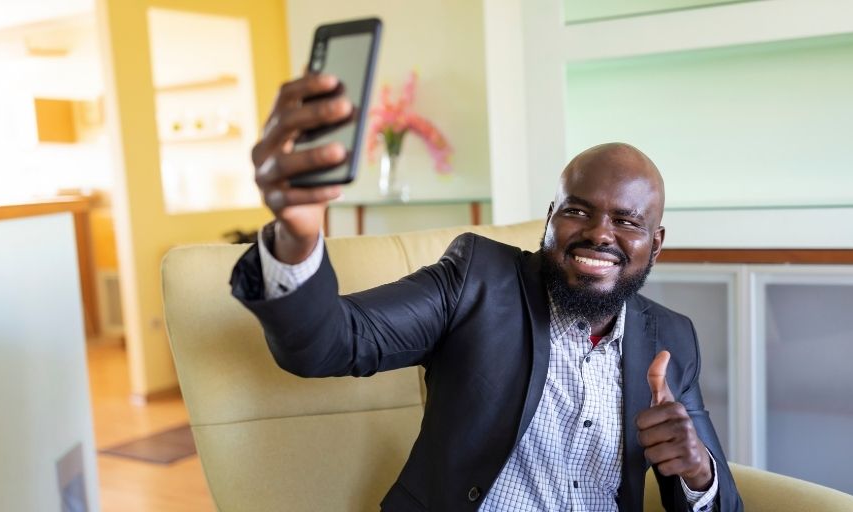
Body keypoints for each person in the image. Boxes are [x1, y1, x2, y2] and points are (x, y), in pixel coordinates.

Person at [231, 72, 743, 512]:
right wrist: (296, 235)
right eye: (577, 210)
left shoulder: (671, 339)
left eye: (626, 221)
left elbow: (718, 500)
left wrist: (698, 473)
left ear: (655, 244)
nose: (599, 234)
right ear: (550, 220)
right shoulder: (479, 279)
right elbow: (332, 342)